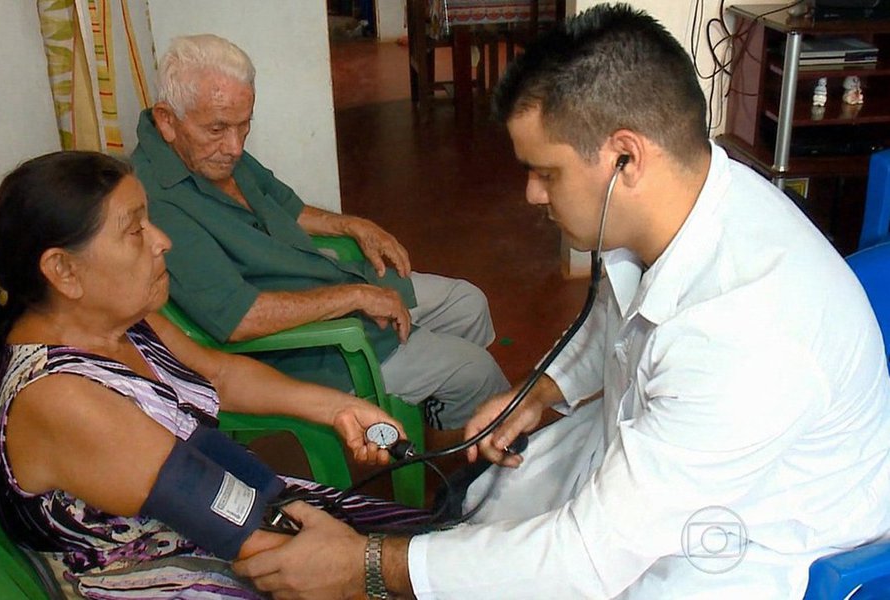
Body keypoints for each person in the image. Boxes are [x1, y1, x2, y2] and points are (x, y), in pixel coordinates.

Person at [231, 4, 890, 598]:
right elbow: (613, 317)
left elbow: (587, 559)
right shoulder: (684, 202)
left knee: (528, 563)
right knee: (493, 502)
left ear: (624, 158)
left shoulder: (747, 333)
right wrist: (543, 389)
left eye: (544, 173)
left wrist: (365, 567)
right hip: (671, 459)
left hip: (750, 535)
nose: (531, 195)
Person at [0, 151, 431, 599]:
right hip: (179, 573)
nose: (162, 241)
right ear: (63, 270)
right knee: (420, 566)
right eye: (134, 230)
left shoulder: (120, 321)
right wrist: (374, 565)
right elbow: (241, 530)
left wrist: (337, 407)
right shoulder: (61, 397)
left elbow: (218, 376)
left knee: (420, 546)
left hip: (219, 514)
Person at [130, 34, 509, 430]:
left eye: (244, 127)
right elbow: (241, 319)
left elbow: (287, 207)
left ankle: (438, 407)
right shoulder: (160, 204)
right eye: (219, 129)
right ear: (167, 121)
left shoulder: (209, 150)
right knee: (477, 372)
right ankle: (480, 456)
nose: (236, 147)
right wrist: (356, 297)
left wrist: (352, 225)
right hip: (314, 347)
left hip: (325, 281)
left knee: (468, 302)